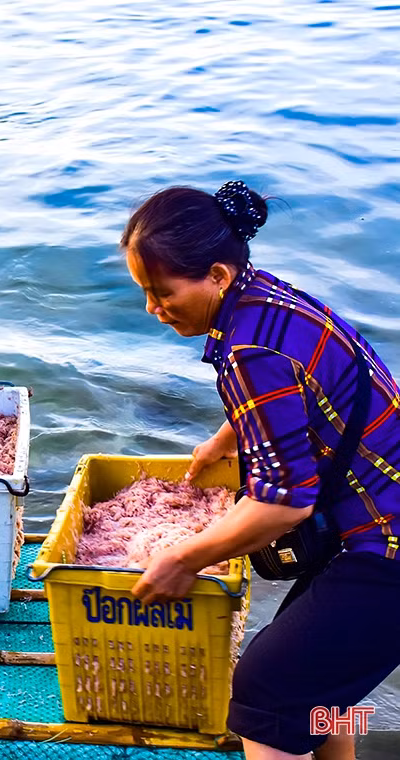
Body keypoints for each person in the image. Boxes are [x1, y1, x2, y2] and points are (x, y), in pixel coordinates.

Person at [122, 180, 400, 760]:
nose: (153, 309)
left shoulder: (248, 352)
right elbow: (315, 389)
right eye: (144, 293)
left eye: (162, 292)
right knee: (320, 687)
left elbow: (285, 503)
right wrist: (228, 437)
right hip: (379, 512)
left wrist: (182, 557)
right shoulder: (269, 301)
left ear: (217, 276)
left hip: (387, 542)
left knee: (264, 693)